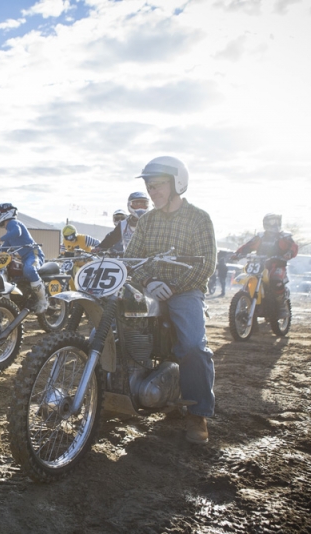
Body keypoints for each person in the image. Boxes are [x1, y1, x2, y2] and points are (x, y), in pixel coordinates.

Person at [124, 156, 216, 444]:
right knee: (115, 325)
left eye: (158, 186)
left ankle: (197, 412)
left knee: (193, 346)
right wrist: (149, 281)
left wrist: (174, 286)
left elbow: (206, 264)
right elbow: (132, 259)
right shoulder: (147, 220)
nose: (152, 192)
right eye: (149, 187)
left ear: (177, 183)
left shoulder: (198, 218)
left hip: (185, 290)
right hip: (149, 287)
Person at [231, 213, 298, 315]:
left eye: (277, 221)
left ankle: (281, 306)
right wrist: (238, 254)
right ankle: (246, 303)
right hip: (260, 264)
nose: (275, 224)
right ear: (266, 223)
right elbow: (248, 245)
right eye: (272, 222)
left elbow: (293, 247)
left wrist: (290, 253)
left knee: (276, 281)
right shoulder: (260, 236)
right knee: (250, 277)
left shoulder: (284, 236)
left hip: (277, 264)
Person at [0, 203, 47, 314]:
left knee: (29, 269)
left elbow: (17, 232)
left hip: (33, 253)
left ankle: (43, 300)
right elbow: (3, 250)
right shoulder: (9, 234)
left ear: (6, 212)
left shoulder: (13, 223)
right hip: (25, 257)